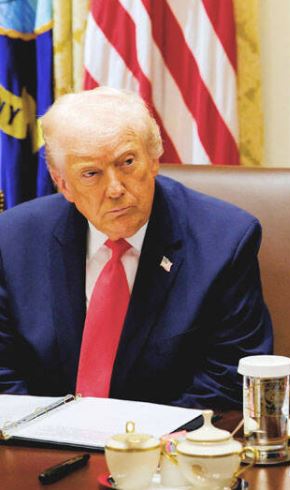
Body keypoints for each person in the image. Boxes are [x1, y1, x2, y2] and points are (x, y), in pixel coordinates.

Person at [0, 87, 273, 409]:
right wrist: (38, 429)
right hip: (42, 434)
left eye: (127, 162)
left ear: (154, 159)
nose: (115, 189)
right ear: (63, 183)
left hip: (167, 434)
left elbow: (231, 374)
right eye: (91, 173)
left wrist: (140, 435)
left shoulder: (225, 240)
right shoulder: (13, 239)